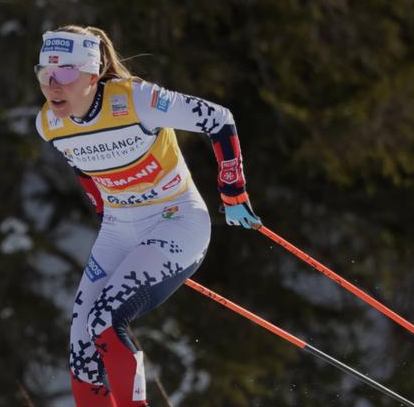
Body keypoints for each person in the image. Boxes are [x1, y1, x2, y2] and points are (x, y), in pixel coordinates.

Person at [34, 25, 261, 407]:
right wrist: (102, 205)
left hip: (176, 220)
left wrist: (233, 192)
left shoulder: (137, 100)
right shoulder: (49, 124)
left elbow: (218, 119)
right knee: (80, 343)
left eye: (66, 74)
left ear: (92, 74)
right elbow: (82, 162)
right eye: (45, 75)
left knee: (104, 320)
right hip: (119, 229)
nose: (54, 85)